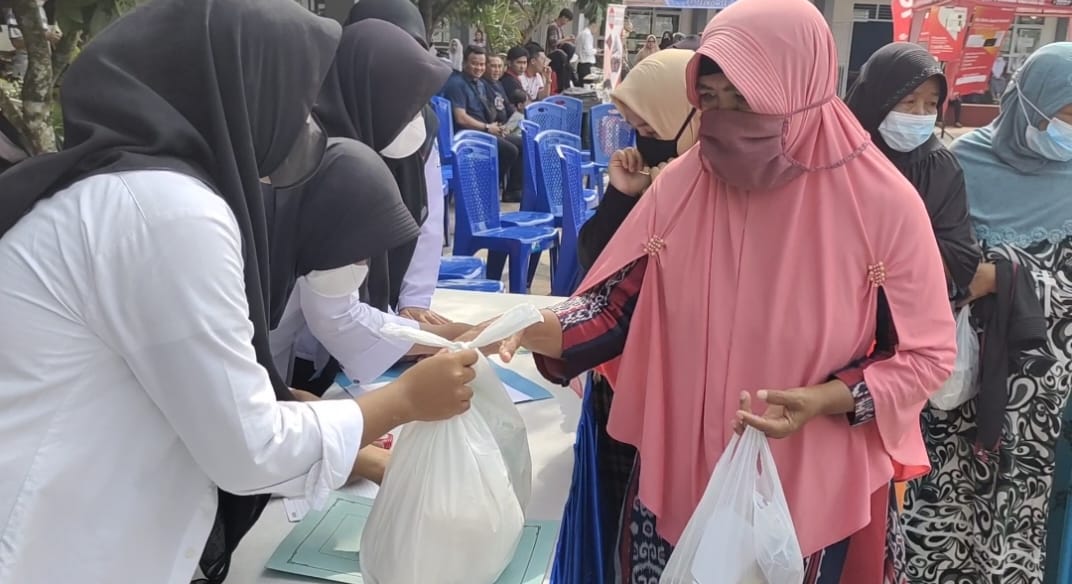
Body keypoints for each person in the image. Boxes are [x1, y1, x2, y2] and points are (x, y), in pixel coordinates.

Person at [462, 0, 956, 581]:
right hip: (678, 470)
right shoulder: (684, 186)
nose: (724, 119)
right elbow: (616, 306)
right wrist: (515, 327)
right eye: (712, 99)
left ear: (800, 87)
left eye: (744, 99)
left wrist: (826, 400)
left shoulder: (881, 205)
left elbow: (924, 355)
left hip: (802, 486)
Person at [0, 2, 477, 584]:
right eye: (296, 100)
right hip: (50, 544)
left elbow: (198, 387)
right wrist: (402, 401)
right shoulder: (167, 212)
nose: (306, 125)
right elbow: (249, 448)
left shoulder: (127, 191)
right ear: (236, 92)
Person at [900, 42, 1072, 583]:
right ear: (1031, 102)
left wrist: (1003, 276)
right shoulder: (956, 162)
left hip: (1042, 404)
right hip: (951, 385)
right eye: (1068, 112)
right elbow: (913, 259)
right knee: (936, 514)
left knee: (1020, 524)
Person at [845, 43, 979, 303]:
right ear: (877, 98)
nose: (920, 114)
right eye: (908, 101)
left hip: (907, 312)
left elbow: (960, 254)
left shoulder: (940, 167)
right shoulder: (834, 160)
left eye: (931, 104)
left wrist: (890, 265)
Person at [343, 0, 449, 322]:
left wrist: (414, 299)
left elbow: (428, 216)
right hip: (326, 321)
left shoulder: (422, 123)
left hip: (382, 312)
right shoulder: (327, 126)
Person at [578, 48, 700, 270]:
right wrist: (621, 195)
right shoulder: (645, 176)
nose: (644, 143)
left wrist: (670, 202)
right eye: (637, 131)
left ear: (695, 119)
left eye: (652, 132)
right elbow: (594, 260)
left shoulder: (718, 189)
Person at [443, 44, 524, 203]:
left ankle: (512, 191)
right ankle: (486, 191)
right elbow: (461, 118)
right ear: (465, 62)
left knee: (522, 143)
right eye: (474, 63)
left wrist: (499, 128)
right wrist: (487, 127)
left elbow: (489, 111)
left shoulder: (480, 83)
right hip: (467, 136)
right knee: (509, 150)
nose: (479, 68)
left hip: (484, 131)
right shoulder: (456, 83)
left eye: (481, 64)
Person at [483, 52, 515, 125]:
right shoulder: (482, 85)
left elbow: (508, 106)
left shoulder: (498, 84)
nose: (497, 70)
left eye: (499, 66)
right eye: (493, 66)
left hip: (507, 124)